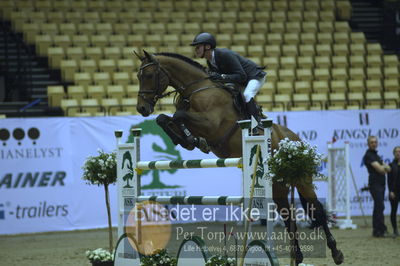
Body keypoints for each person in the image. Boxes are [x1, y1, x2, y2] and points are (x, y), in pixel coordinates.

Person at [190, 32, 267, 130]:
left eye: (198, 47)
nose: (196, 50)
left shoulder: (225, 54)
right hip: (241, 81)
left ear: (208, 46)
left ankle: (257, 122)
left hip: (254, 76)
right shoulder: (210, 61)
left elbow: (241, 76)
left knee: (247, 94)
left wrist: (221, 77)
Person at [363, 136, 391, 237]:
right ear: (368, 144)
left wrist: (384, 167)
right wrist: (384, 167)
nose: (374, 144)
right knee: (380, 206)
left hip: (381, 184)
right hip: (375, 184)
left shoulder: (376, 155)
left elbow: (388, 167)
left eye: (375, 142)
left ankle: (377, 231)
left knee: (378, 207)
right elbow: (382, 170)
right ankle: (381, 230)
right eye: (372, 142)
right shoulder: (369, 155)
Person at [387, 146, 400, 236]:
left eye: (399, 151)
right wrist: (391, 191)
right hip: (394, 192)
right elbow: (389, 180)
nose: (398, 153)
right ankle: (395, 230)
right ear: (394, 153)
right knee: (393, 211)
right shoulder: (391, 165)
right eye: (396, 151)